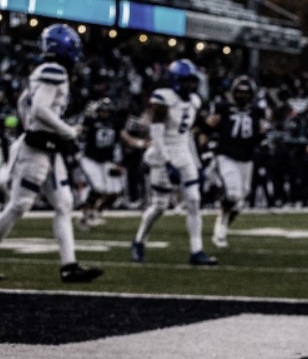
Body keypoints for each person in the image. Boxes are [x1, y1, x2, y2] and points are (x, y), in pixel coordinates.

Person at [0, 23, 103, 282]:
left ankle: (69, 266)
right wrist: (67, 131)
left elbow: (25, 103)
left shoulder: (46, 71)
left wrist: (57, 133)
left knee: (64, 203)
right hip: (35, 149)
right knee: (19, 205)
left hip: (48, 148)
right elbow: (39, 110)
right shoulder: (53, 71)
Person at [131, 58, 217, 266]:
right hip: (163, 154)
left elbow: (187, 135)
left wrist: (196, 163)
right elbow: (156, 134)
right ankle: (139, 240)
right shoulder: (163, 98)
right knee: (160, 206)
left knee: (194, 201)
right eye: (186, 81)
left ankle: (196, 251)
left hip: (183, 152)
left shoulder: (194, 101)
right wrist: (168, 162)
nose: (190, 85)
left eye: (192, 81)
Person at [204, 74, 266, 248]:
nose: (242, 96)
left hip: (247, 159)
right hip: (227, 156)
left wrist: (263, 139)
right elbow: (208, 126)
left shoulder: (257, 112)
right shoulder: (222, 108)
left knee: (240, 202)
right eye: (239, 92)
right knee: (232, 194)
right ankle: (220, 228)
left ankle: (223, 224)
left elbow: (262, 133)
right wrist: (207, 143)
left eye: (246, 93)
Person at [77, 98, 126, 229]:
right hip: (91, 159)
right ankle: (85, 214)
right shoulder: (90, 121)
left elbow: (125, 137)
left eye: (106, 111)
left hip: (106, 161)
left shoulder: (115, 123)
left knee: (115, 192)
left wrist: (141, 143)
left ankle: (96, 213)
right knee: (98, 188)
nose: (104, 113)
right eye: (102, 110)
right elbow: (78, 130)